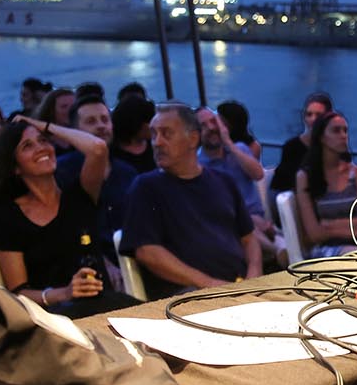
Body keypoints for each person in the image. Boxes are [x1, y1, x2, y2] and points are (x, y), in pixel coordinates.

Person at [0, 114, 137, 318]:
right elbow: (18, 293)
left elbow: (98, 148)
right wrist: (64, 293)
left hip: (105, 305)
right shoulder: (7, 218)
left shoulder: (80, 195)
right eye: (27, 146)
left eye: (43, 141)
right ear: (15, 167)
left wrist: (42, 124)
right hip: (57, 318)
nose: (41, 148)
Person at [119, 104, 261, 295]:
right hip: (189, 296)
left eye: (166, 134)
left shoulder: (223, 181)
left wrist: (254, 278)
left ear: (193, 138)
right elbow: (147, 251)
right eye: (153, 134)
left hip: (239, 286)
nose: (157, 142)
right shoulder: (146, 187)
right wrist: (210, 284)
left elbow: (249, 238)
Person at [197, 105, 277, 259]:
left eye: (214, 122)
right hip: (231, 224)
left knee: (250, 222)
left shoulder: (239, 149)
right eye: (203, 125)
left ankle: (278, 252)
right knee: (245, 222)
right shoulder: (198, 165)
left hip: (256, 219)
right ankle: (276, 251)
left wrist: (229, 145)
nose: (211, 128)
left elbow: (258, 174)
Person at [294, 110, 357, 256]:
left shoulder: (355, 172)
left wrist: (329, 225)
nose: (343, 136)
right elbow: (315, 234)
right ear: (321, 137)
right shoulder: (305, 176)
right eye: (336, 131)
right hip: (324, 250)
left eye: (345, 130)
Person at [56, 94, 137, 237]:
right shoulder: (61, 171)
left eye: (105, 120)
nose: (101, 126)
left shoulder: (127, 172)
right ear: (75, 131)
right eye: (91, 121)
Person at [270, 91, 332, 195]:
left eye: (318, 115)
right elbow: (279, 187)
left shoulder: (334, 146)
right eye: (309, 114)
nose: (313, 119)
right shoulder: (292, 147)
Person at [111, 96, 157, 174]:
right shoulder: (111, 152)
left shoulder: (156, 146)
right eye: (149, 121)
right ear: (136, 124)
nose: (154, 126)